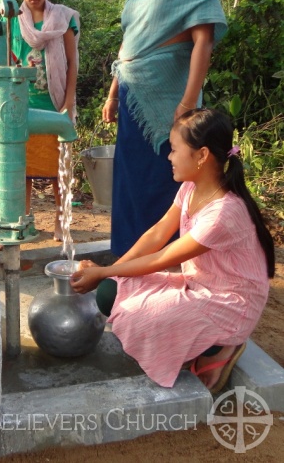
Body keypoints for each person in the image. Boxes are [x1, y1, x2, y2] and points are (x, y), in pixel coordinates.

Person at [71, 108, 275, 393]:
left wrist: (103, 270)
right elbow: (157, 234)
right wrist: (109, 274)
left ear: (201, 155)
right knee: (110, 292)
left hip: (229, 302)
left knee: (136, 316)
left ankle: (220, 347)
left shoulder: (223, 213)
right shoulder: (191, 188)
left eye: (175, 149)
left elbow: (162, 258)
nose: (169, 157)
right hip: (197, 285)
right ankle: (195, 339)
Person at [103, 0, 228, 257]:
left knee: (167, 180)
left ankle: (168, 264)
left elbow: (203, 42)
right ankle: (126, 259)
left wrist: (187, 103)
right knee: (130, 183)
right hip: (132, 97)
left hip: (172, 99)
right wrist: (113, 94)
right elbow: (129, 43)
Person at [11, 0, 80, 241]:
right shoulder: (12, 20)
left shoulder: (64, 18)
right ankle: (23, 220)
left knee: (59, 170)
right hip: (22, 105)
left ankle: (61, 222)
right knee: (21, 168)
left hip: (55, 104)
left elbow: (73, 61)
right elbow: (8, 58)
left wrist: (69, 100)